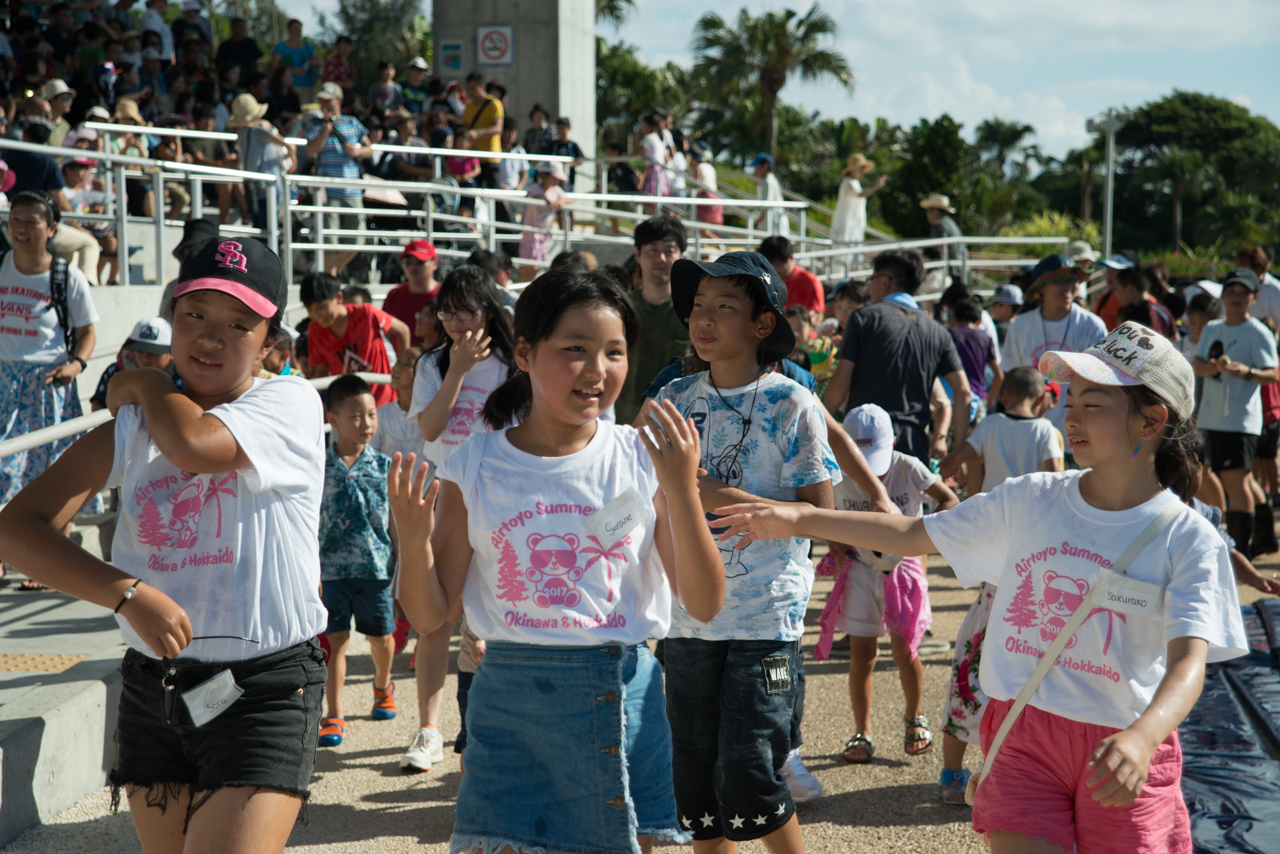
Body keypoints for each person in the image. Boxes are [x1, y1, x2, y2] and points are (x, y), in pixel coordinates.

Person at [714, 321, 1248, 854]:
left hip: (1123, 748)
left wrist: (1143, 737)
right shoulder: (1031, 498)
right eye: (1072, 399)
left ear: (1153, 420)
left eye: (1095, 404)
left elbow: (1189, 664)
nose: (1071, 416)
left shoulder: (1190, 538)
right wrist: (801, 517)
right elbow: (911, 532)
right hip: (1022, 736)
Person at [0, 237, 329, 853]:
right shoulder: (132, 427)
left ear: (271, 344)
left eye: (238, 324)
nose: (211, 336)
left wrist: (146, 384)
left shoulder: (289, 403)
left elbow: (195, 446)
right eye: (194, 316)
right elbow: (17, 528)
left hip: (266, 687)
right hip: (156, 689)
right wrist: (125, 595)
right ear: (172, 317)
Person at [389, 267, 724, 853]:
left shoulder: (643, 458)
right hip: (510, 705)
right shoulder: (473, 463)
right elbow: (430, 615)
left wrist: (682, 490)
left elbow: (703, 601)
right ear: (524, 351)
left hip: (624, 696)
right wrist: (413, 539)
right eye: (575, 349)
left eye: (614, 352)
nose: (597, 370)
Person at [650, 250, 835, 853]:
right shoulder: (674, 398)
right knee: (695, 788)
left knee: (751, 776)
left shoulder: (793, 403)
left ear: (763, 325)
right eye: (698, 306)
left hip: (764, 618)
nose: (703, 319)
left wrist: (705, 491)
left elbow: (821, 518)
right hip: (685, 618)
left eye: (724, 307)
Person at [933, 365, 1072, 805]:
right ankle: (1019, 770)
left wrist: (962, 475)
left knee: (967, 671)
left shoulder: (990, 425)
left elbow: (955, 461)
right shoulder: (1048, 434)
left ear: (1004, 393)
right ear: (1042, 398)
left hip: (994, 568)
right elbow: (1059, 484)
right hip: (1036, 567)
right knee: (1030, 677)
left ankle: (951, 775)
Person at [398, 267, 515, 774]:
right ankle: (428, 729)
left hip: (501, 496)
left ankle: (485, 729)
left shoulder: (516, 363)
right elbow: (429, 426)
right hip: (446, 492)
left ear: (488, 310)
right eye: (446, 312)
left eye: (465, 311)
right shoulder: (433, 363)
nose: (455, 322)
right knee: (434, 617)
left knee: (489, 620)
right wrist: (457, 371)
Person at [821, 404, 958, 767]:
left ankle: (915, 714)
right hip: (861, 567)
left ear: (894, 442)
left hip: (902, 567)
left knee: (905, 649)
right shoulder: (837, 473)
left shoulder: (907, 466)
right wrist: (835, 548)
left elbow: (948, 499)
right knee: (861, 653)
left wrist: (930, 536)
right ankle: (862, 731)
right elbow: (826, 517)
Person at [824, 250, 973, 463]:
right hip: (913, 447)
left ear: (885, 281)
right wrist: (957, 452)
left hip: (863, 442)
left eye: (871, 279)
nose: (870, 287)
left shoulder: (863, 318)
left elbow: (841, 381)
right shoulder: (938, 332)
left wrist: (821, 427)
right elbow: (964, 392)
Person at [0, 192, 99, 510]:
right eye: (15, 220)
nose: (20, 228)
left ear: (52, 228)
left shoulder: (67, 277)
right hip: (4, 383)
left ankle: (48, 548)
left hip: (47, 386)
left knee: (50, 475)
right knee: (3, 472)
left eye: (31, 221)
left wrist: (76, 365)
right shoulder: (1, 266)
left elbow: (87, 334)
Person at [316, 374, 397, 748]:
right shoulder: (316, 468)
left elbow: (396, 523)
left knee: (381, 638)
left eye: (371, 415)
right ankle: (334, 714)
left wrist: (405, 567)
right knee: (336, 642)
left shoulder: (384, 467)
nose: (366, 424)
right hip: (329, 572)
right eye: (355, 416)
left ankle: (383, 686)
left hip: (375, 569)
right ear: (331, 418)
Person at [1193, 267, 1279, 556]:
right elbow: (1198, 362)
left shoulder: (1258, 331)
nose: (1236, 298)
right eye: (1231, 292)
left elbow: (1273, 374)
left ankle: (1239, 551)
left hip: (1241, 420)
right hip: (1209, 416)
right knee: (1235, 477)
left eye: (1243, 293)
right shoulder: (1213, 328)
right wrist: (1212, 367)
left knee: (1235, 480)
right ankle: (1265, 536)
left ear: (1254, 298)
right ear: (1223, 296)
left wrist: (1247, 372)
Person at [1000, 254, 1108, 439]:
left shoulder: (1092, 325)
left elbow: (1103, 380)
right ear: (1041, 287)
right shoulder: (1021, 326)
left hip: (1080, 431)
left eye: (1073, 279)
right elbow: (1012, 377)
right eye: (1060, 280)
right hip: (1032, 432)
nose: (1068, 286)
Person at [615, 217, 689, 425]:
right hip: (625, 427)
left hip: (679, 427)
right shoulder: (620, 309)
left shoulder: (694, 312)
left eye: (669, 250)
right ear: (637, 254)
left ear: (681, 256)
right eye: (652, 250)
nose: (661, 258)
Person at [300, 272, 409, 406]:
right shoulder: (314, 330)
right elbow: (322, 371)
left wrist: (405, 369)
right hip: (349, 409)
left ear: (338, 297)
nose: (315, 315)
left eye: (321, 307)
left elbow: (403, 330)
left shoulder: (367, 314)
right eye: (309, 309)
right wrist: (306, 401)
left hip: (385, 404)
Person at [305, 82, 373, 276]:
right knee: (330, 240)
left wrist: (358, 150)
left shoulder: (352, 122)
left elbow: (370, 149)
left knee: (358, 238)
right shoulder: (315, 125)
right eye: (321, 100)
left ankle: (333, 272)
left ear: (339, 101)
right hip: (329, 189)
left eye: (328, 100)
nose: (323, 104)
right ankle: (331, 276)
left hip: (352, 189)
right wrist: (326, 130)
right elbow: (310, 151)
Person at [949, 295, 1003, 413]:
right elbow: (999, 375)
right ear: (979, 321)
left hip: (951, 398)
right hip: (977, 400)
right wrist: (991, 397)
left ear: (954, 318)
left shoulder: (948, 335)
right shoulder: (985, 339)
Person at [383, 240, 440, 346]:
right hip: (402, 361)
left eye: (420, 262)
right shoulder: (394, 295)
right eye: (408, 262)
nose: (413, 267)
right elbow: (387, 336)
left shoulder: (445, 295)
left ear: (435, 263)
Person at [830, 154, 886, 257]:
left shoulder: (854, 182)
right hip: (845, 227)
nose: (863, 170)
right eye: (861, 167)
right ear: (854, 168)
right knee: (843, 257)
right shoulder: (848, 182)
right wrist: (876, 186)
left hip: (854, 226)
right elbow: (860, 194)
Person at [758, 235, 824, 320]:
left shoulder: (810, 281)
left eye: (778, 265)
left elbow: (817, 317)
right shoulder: (763, 279)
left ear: (791, 257)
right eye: (769, 266)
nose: (774, 270)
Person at [516, 162, 567, 266]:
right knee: (531, 269)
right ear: (544, 175)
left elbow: (570, 199)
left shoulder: (556, 190)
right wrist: (543, 198)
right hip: (531, 235)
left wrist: (562, 201)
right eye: (554, 177)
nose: (557, 181)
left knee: (537, 268)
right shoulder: (534, 188)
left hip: (544, 235)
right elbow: (528, 197)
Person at [460, 71, 503, 188]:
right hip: (473, 158)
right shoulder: (469, 105)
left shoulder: (494, 103)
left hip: (490, 157)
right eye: (468, 88)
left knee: (493, 195)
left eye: (474, 88)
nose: (470, 92)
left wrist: (478, 133)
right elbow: (465, 125)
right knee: (473, 193)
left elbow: (498, 128)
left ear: (482, 86)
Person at [1113, 266, 1176, 339]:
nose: (1114, 295)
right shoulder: (1163, 310)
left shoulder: (1130, 315)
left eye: (1116, 289)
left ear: (1129, 288)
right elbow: (1175, 341)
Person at [920, 193, 966, 285]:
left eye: (929, 210)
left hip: (950, 272)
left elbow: (940, 249)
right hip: (960, 269)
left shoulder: (939, 225)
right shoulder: (950, 223)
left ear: (936, 211)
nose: (927, 213)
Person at [270, 19, 318, 106]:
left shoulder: (308, 46)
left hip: (308, 87)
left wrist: (312, 63)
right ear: (289, 30)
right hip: (289, 88)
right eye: (295, 29)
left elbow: (319, 62)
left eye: (299, 29)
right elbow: (274, 67)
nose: (298, 32)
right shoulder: (281, 47)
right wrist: (293, 70)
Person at [688, 141, 723, 236]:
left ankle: (719, 245)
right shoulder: (711, 167)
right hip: (716, 198)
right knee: (707, 229)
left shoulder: (698, 168)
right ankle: (706, 247)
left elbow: (697, 185)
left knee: (701, 229)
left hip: (705, 198)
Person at [749, 152, 789, 235]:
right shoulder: (770, 180)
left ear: (765, 166)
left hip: (774, 226)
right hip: (775, 225)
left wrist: (756, 224)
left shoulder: (768, 182)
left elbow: (767, 206)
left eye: (756, 167)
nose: (755, 170)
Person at [216, 16, 262, 83]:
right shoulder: (225, 45)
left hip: (249, 80)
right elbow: (220, 64)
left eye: (243, 26)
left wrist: (255, 79)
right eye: (238, 26)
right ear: (232, 27)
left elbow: (254, 62)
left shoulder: (250, 43)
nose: (241, 28)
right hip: (232, 83)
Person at [320, 35, 357, 115]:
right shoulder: (332, 63)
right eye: (343, 45)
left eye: (348, 45)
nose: (346, 48)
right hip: (335, 103)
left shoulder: (351, 65)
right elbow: (326, 82)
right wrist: (344, 84)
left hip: (349, 103)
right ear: (337, 46)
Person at [986, 284, 1022, 350]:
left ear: (1005, 306)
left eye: (995, 304)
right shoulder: (1023, 325)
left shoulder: (1001, 330)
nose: (992, 308)